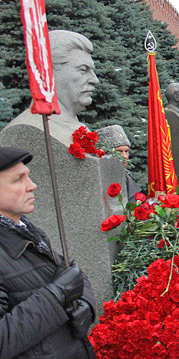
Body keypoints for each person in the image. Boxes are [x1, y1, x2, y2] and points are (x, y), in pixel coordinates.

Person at [0, 147, 96, 358]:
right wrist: (55, 296)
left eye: (28, 176)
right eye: (18, 180)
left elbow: (72, 274)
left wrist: (85, 304)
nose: (32, 186)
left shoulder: (26, 229)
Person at [96, 125, 141, 204]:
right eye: (119, 151)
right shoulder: (99, 178)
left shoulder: (127, 175)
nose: (124, 156)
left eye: (126, 151)